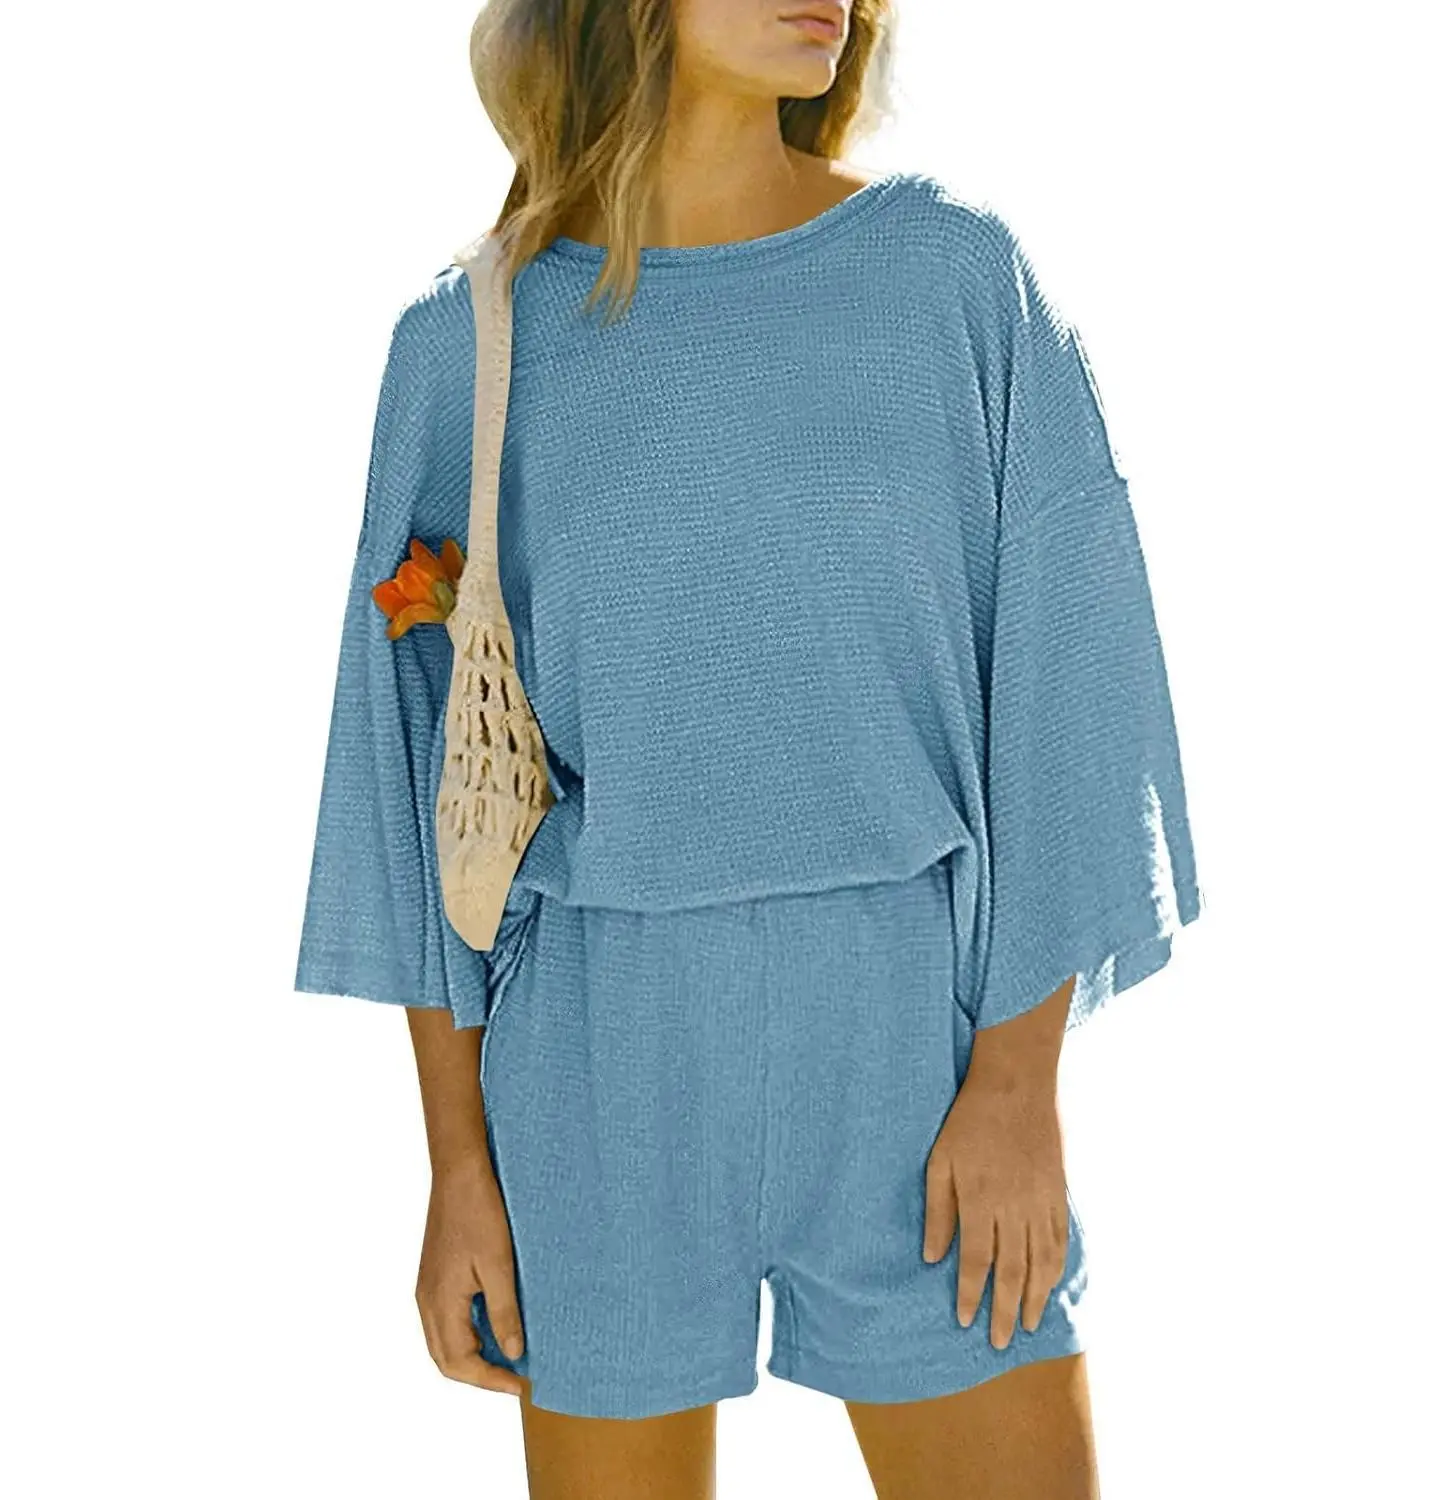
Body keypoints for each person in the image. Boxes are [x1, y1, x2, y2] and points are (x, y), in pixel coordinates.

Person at [294, 2, 1203, 1495]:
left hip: (914, 1051)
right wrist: (458, 1165)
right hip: (599, 1063)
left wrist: (1018, 1082)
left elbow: (1070, 690)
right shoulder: (468, 343)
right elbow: (413, 778)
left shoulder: (954, 281)